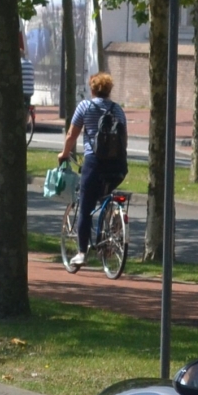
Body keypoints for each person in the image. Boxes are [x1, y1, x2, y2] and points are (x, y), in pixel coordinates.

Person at [61, 72, 130, 261]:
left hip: (94, 164)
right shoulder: (118, 110)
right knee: (106, 195)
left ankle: (82, 252)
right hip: (118, 167)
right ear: (109, 90)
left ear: (92, 89)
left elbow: (71, 135)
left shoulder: (85, 106)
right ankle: (112, 222)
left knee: (85, 206)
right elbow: (124, 141)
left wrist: (64, 154)